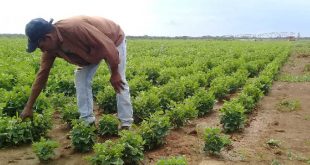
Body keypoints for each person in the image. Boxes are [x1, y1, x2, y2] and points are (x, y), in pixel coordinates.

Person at [21, 16, 133, 129]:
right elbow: (42, 75)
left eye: (40, 46)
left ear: (47, 37)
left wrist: (114, 73)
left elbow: (108, 46)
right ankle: (87, 122)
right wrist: (28, 106)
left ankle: (126, 123)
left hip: (112, 40)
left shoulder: (75, 28)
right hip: (90, 51)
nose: (42, 50)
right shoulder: (50, 49)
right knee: (81, 77)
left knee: (119, 81)